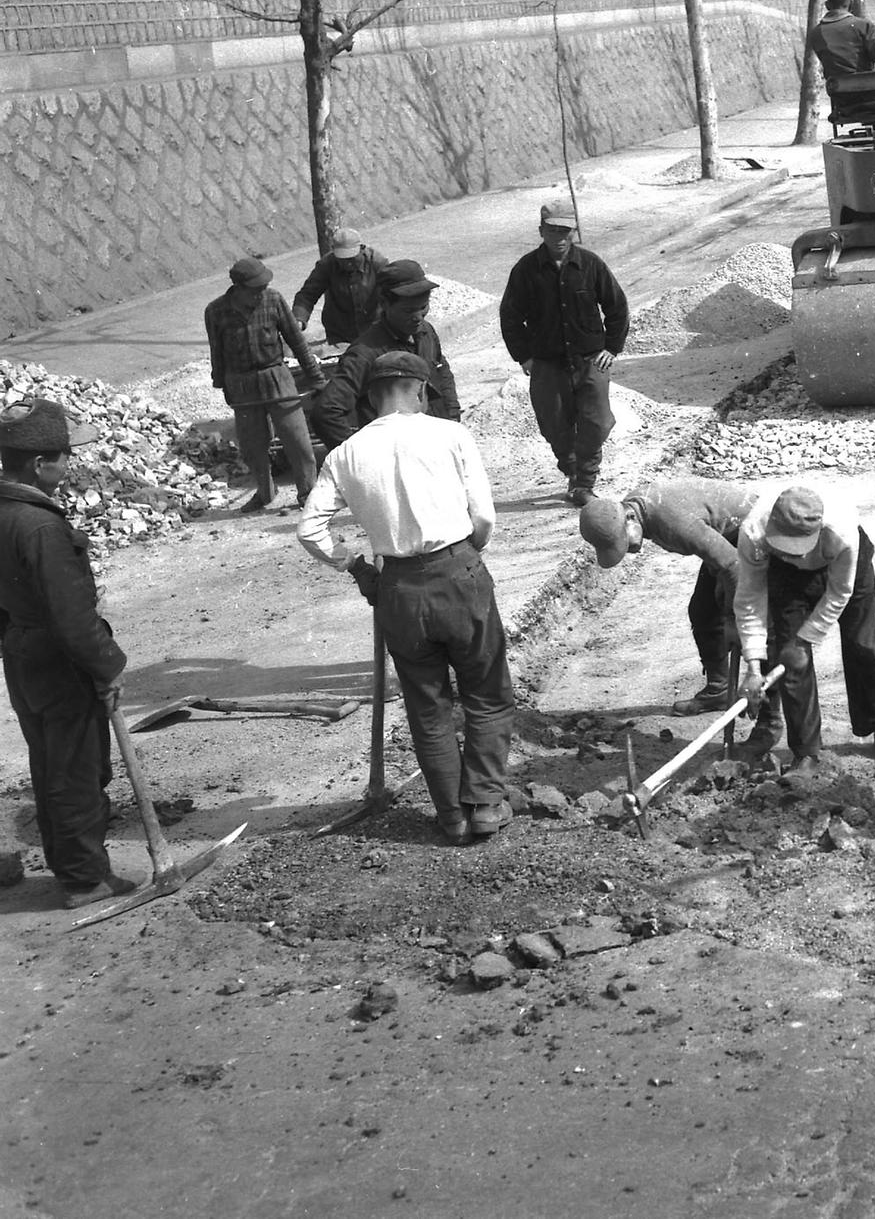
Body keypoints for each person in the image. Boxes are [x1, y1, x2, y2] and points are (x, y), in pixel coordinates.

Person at [298, 351, 514, 843]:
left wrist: (354, 564)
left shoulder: (344, 454)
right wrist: (465, 559)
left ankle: (451, 817)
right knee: (487, 692)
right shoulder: (451, 434)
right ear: (418, 389)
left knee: (428, 705)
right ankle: (484, 805)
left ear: (372, 398)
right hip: (458, 573)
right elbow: (484, 518)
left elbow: (310, 530)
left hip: (396, 588)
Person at [0, 399, 137, 909]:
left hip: (24, 653)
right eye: (63, 457)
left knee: (50, 763)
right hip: (59, 658)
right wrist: (107, 666)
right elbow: (71, 615)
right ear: (39, 464)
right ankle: (85, 880)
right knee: (78, 769)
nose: (69, 465)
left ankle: (71, 868)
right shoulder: (40, 527)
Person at [734, 483, 875, 772]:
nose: (795, 555)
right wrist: (753, 667)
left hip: (842, 568)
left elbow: (839, 593)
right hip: (787, 580)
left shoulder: (842, 532)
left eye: (799, 550)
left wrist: (807, 638)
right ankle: (806, 752)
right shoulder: (754, 532)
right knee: (792, 666)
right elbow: (750, 599)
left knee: (866, 646)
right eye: (787, 548)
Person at [578, 477, 756, 715]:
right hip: (727, 540)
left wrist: (734, 618)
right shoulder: (632, 508)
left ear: (630, 518)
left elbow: (733, 565)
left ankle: (764, 702)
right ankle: (720, 690)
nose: (629, 549)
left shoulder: (673, 523)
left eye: (623, 541)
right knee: (703, 611)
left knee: (753, 622)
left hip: (754, 535)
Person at [498, 200, 629, 507]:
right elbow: (511, 316)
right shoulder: (526, 270)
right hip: (547, 363)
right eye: (552, 231)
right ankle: (572, 470)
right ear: (541, 231)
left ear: (574, 232)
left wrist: (612, 347)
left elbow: (616, 307)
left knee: (597, 422)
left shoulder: (591, 265)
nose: (559, 238)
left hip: (590, 360)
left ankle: (585, 481)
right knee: (554, 424)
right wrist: (524, 357)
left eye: (565, 231)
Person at [204, 256, 326, 511]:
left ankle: (308, 492)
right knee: (252, 446)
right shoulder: (215, 311)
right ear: (238, 287)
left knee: (297, 440)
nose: (261, 292)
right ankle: (265, 491)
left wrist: (315, 376)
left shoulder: (274, 300)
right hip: (242, 384)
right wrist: (222, 384)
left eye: (263, 286)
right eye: (255, 288)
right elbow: (217, 350)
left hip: (276, 377)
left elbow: (296, 340)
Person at [312, 258, 461, 448]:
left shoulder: (426, 332)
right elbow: (326, 412)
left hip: (436, 445)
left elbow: (441, 369)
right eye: (408, 311)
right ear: (385, 304)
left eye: (423, 307)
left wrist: (452, 415)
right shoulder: (364, 353)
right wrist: (360, 456)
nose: (418, 317)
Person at [290, 226, 383, 346]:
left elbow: (393, 294)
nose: (348, 263)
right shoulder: (327, 264)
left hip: (374, 328)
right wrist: (299, 319)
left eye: (352, 258)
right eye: (343, 259)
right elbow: (307, 295)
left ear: (362, 248)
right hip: (340, 332)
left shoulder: (377, 263)